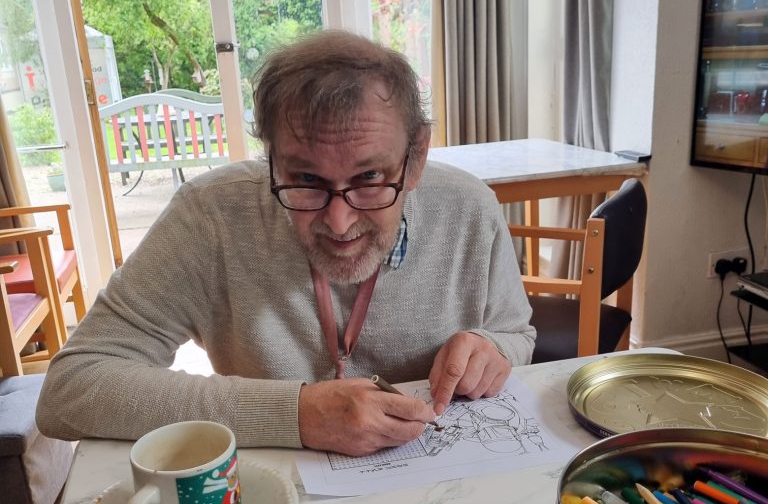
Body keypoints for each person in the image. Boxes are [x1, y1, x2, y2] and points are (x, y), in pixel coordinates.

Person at [36, 30, 534, 455]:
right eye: (306, 180)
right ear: (270, 158)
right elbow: (71, 387)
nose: (339, 222)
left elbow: (517, 334)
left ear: (417, 156)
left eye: (370, 178)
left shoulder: (470, 208)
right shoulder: (210, 215)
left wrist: (492, 349)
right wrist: (293, 414)